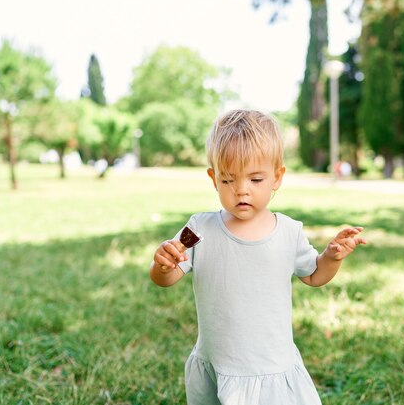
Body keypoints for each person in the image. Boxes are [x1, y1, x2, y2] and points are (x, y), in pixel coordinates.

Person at [150, 109, 367, 405]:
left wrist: (331, 256)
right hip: (219, 362)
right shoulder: (198, 229)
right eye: (228, 180)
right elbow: (166, 277)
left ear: (277, 177)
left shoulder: (289, 232)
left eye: (255, 179)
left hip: (270, 365)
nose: (241, 190)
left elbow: (315, 275)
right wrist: (163, 263)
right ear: (213, 178)